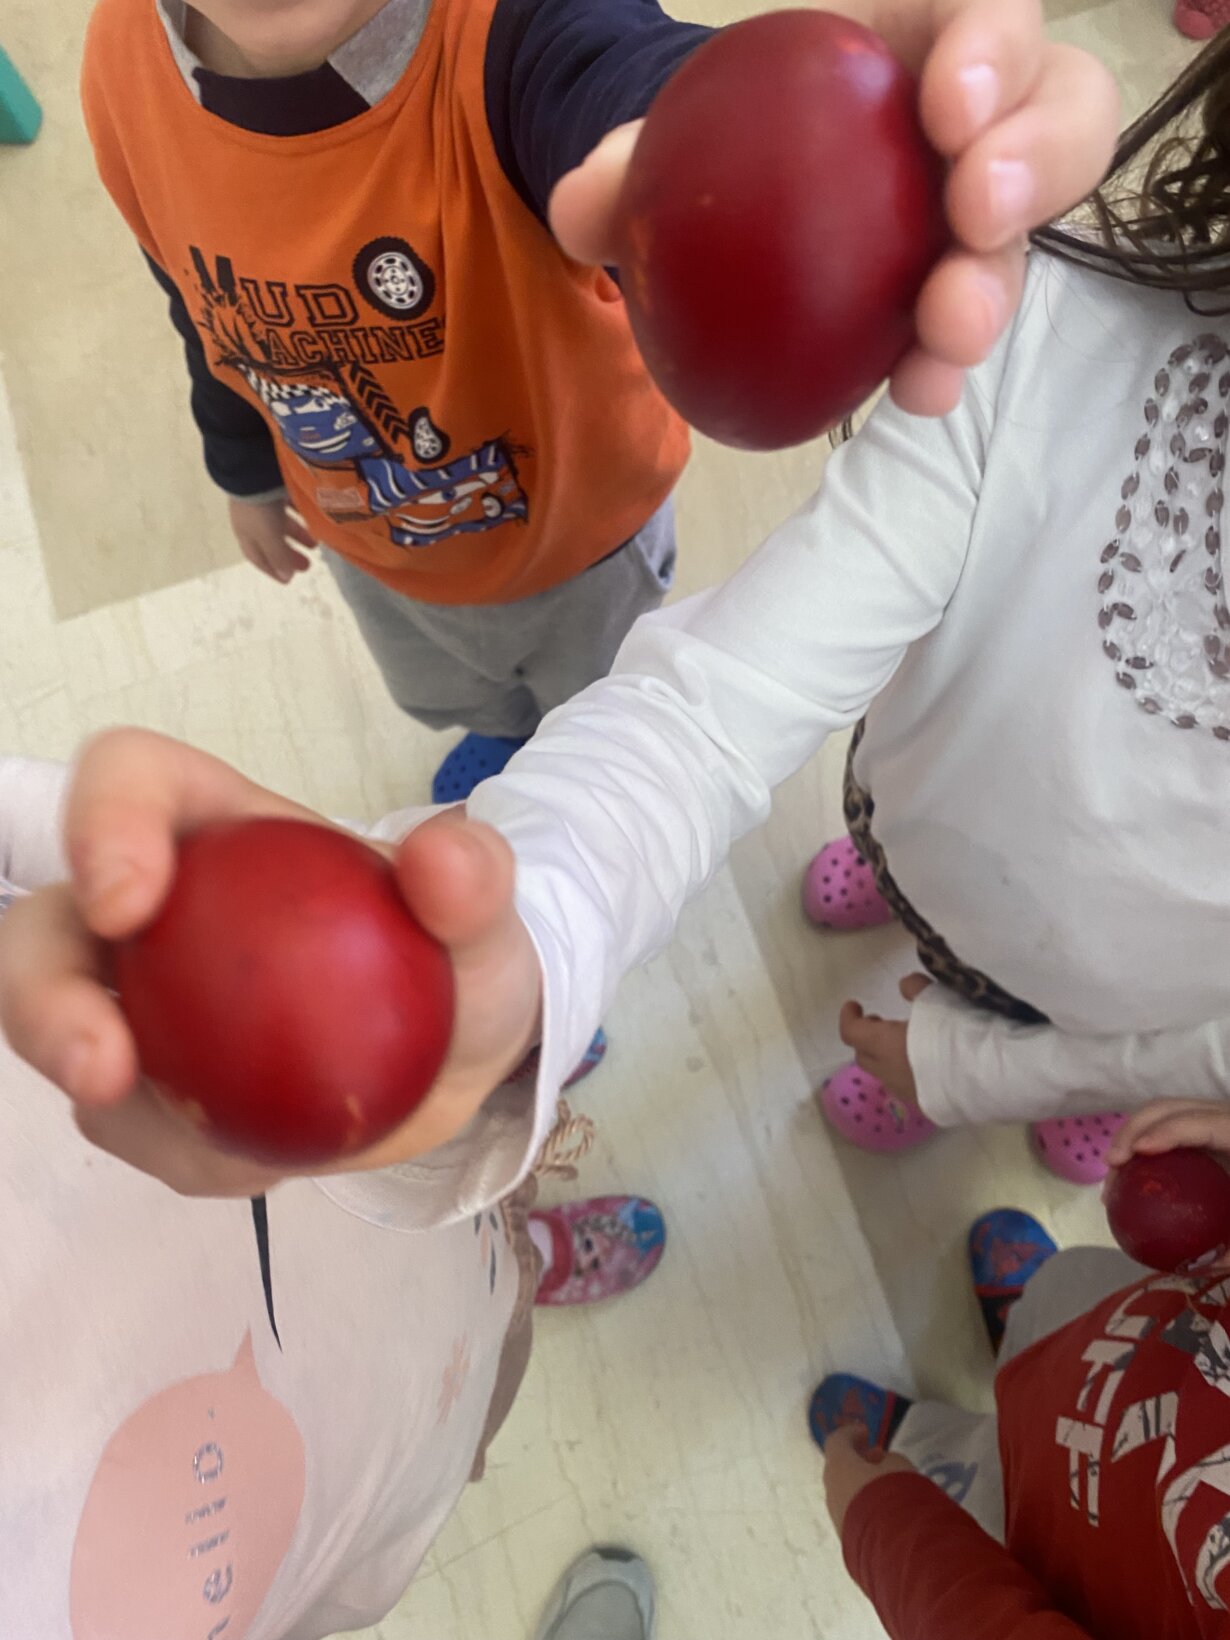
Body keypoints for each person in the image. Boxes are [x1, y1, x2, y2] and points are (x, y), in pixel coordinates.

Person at [0, 754, 664, 1640]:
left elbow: (44, 848)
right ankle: (521, 1253)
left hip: (347, 1137)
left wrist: (522, 967)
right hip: (362, 1444)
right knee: (467, 1367)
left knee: (471, 1166)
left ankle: (507, 1140)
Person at [809, 1099, 1230, 1637]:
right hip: (1141, 1327)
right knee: (1059, 1313)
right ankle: (1021, 1338)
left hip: (1066, 1550)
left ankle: (917, 1443)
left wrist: (886, 1526)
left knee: (977, 1489)